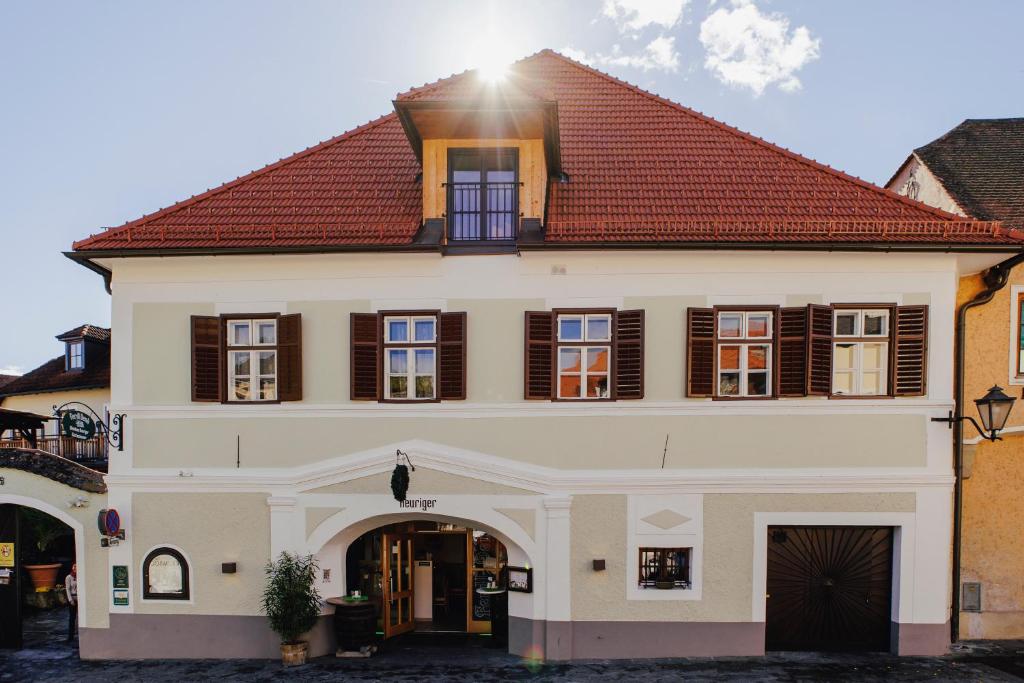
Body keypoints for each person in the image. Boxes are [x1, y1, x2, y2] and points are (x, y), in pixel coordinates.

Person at [65, 563, 77, 642]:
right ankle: (70, 636)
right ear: (72, 568)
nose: (75, 569)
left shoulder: (80, 577)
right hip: (72, 598)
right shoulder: (68, 577)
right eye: (74, 567)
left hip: (79, 598)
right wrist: (70, 600)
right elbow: (67, 589)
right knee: (72, 618)